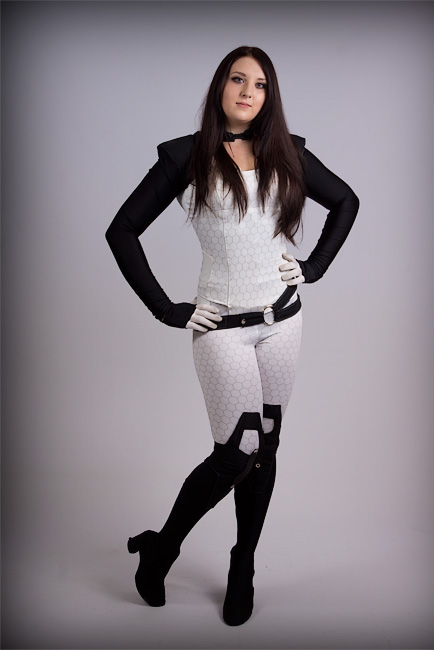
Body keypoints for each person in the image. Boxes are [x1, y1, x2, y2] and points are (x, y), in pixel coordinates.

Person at [105, 45, 359, 626]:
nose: (248, 92)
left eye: (260, 84)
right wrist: (165, 308)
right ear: (220, 85)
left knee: (266, 449)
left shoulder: (287, 152)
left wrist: (315, 267)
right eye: (238, 79)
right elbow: (122, 230)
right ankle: (162, 549)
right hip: (221, 328)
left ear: (270, 96)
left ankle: (242, 564)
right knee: (236, 453)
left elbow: (346, 201)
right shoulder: (186, 155)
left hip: (283, 322)